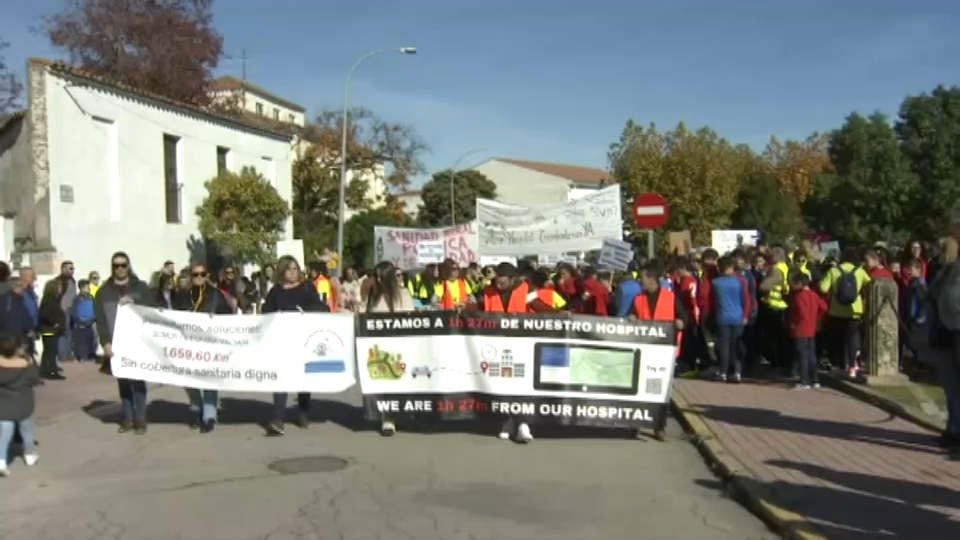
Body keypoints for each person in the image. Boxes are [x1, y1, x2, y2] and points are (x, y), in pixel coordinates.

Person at [477, 263, 555, 443]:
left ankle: (523, 424)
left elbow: (539, 306)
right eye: (497, 281)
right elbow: (478, 307)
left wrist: (558, 313)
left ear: (512, 279)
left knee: (521, 385)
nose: (499, 285)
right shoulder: (488, 291)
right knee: (502, 386)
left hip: (522, 344)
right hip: (497, 344)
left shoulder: (527, 289)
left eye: (502, 282)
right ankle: (506, 422)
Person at [263, 255, 328, 435]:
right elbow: (266, 312)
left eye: (295, 269)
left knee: (303, 378)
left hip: (304, 339)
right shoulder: (276, 291)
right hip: (282, 340)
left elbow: (319, 307)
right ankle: (278, 418)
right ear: (282, 272)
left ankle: (303, 412)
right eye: (289, 269)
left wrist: (303, 312)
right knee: (281, 378)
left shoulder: (307, 287)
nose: (293, 273)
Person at [95, 251, 154, 434]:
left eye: (123, 265)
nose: (120, 269)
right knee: (123, 382)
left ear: (128, 266)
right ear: (112, 268)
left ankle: (140, 419)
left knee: (137, 381)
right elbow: (101, 320)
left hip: (137, 342)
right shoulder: (104, 292)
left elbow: (152, 309)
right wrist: (105, 342)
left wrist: (135, 301)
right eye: (116, 266)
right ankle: (128, 417)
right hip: (116, 344)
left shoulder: (141, 287)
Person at [174, 262, 233, 433]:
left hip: (210, 344)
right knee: (188, 380)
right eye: (195, 274)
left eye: (202, 274)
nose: (199, 277)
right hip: (188, 345)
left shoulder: (216, 295)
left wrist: (217, 320)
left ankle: (209, 416)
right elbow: (173, 318)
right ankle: (197, 408)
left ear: (207, 275)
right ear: (190, 277)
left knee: (208, 380)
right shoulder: (182, 296)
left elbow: (229, 316)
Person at [364, 261, 416, 436]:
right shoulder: (374, 295)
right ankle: (387, 418)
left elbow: (410, 317)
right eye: (375, 276)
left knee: (400, 384)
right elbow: (368, 316)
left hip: (400, 344)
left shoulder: (403, 294)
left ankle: (399, 413)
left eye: (380, 276)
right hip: (380, 346)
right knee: (384, 384)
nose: (377, 279)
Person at [0, 335, 40, 476]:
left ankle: (1, 461)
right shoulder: (26, 364)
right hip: (24, 404)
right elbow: (35, 378)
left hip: (3, 407)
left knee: (4, 435)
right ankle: (29, 455)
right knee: (26, 431)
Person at [710, 256, 750, 383]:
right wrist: (745, 315)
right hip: (738, 316)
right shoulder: (740, 281)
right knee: (735, 345)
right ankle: (737, 372)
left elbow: (713, 302)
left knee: (724, 345)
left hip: (723, 316)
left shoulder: (715, 283)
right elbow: (746, 299)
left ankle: (723, 372)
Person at [788, 272, 827, 389]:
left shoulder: (799, 296)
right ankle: (815, 379)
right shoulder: (814, 294)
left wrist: (795, 323)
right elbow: (824, 307)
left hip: (801, 328)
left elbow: (801, 312)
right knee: (811, 354)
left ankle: (804, 380)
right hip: (812, 327)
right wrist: (817, 318)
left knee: (802, 355)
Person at [37, 279, 66, 380]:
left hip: (49, 329)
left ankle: (44, 370)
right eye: (59, 287)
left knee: (48, 351)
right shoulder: (50, 300)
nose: (60, 289)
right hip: (49, 330)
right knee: (51, 352)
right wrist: (55, 323)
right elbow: (45, 314)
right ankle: (52, 371)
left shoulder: (51, 299)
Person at [70, 279, 98, 363]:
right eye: (86, 287)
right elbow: (74, 312)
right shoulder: (77, 299)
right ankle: (81, 356)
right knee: (81, 341)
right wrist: (79, 319)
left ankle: (90, 355)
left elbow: (95, 309)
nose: (88, 288)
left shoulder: (91, 298)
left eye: (88, 287)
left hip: (90, 322)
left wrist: (93, 318)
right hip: (80, 323)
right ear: (81, 288)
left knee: (90, 339)